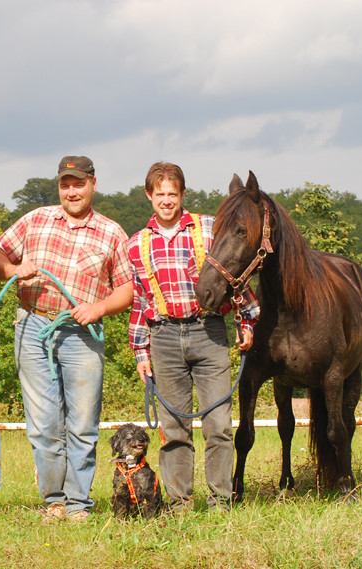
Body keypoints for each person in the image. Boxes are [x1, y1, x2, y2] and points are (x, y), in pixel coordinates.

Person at [0, 155, 133, 523]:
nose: (72, 191)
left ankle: (78, 504)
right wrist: (12, 269)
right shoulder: (34, 220)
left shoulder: (112, 232)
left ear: (93, 184)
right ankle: (54, 501)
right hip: (33, 327)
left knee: (82, 423)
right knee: (43, 424)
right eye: (66, 184)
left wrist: (99, 309)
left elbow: (129, 289)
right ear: (59, 186)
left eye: (79, 184)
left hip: (82, 333)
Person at [127, 162, 260, 513]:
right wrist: (140, 350)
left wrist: (247, 319)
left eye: (173, 193)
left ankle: (220, 501)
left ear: (182, 195)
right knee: (174, 429)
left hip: (208, 332)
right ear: (149, 196)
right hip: (164, 338)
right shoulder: (136, 244)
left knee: (218, 424)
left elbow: (233, 274)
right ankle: (179, 503)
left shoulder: (206, 228)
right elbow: (140, 301)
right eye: (160, 194)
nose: (167, 200)